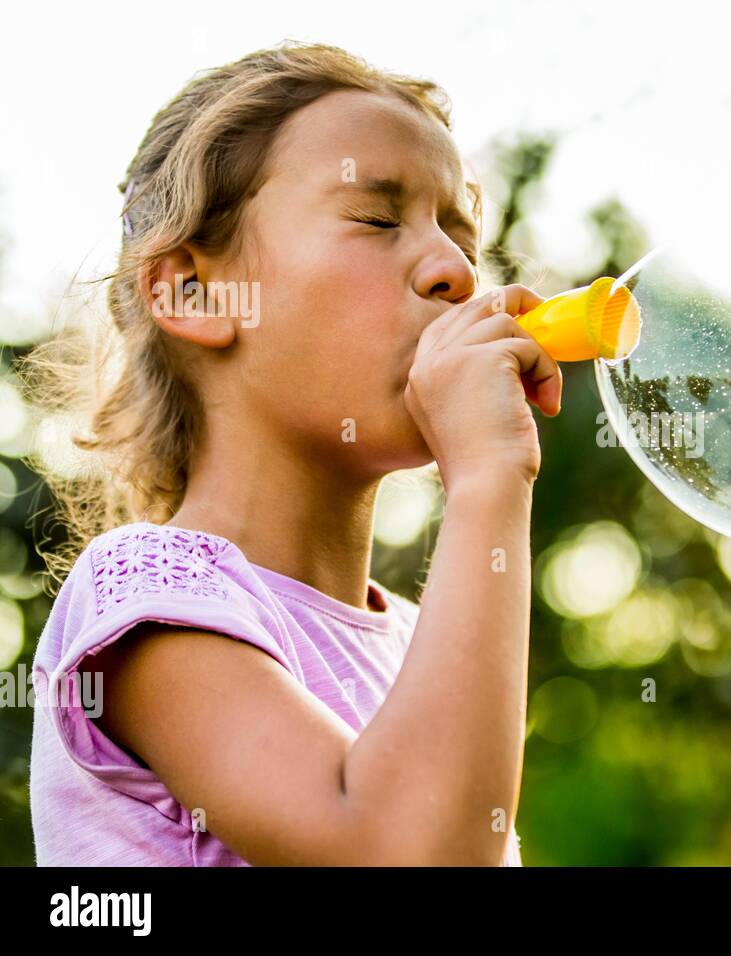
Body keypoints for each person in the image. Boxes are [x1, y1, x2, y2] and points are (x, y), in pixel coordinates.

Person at [20, 41, 562, 865]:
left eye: (462, 238)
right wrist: (489, 478)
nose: (457, 271)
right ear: (193, 292)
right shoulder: (144, 594)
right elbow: (399, 850)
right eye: (379, 219)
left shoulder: (425, 643)